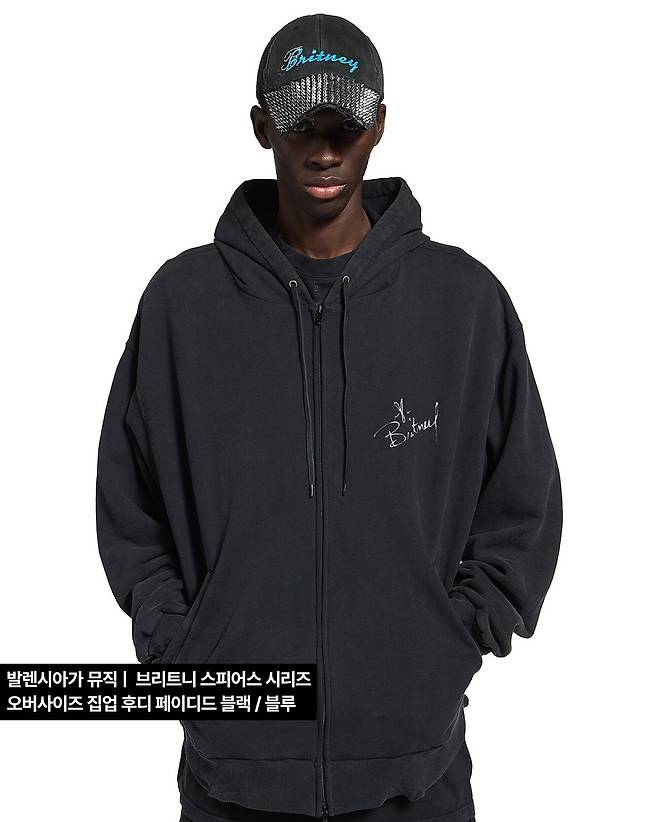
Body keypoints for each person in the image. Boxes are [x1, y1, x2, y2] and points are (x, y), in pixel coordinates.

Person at [95, 13, 562, 822]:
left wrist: (447, 642)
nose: (323, 151)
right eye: (299, 125)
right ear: (260, 127)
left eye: (344, 126)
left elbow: (523, 505)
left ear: (378, 125)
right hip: (232, 776)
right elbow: (129, 502)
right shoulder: (182, 305)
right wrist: (180, 644)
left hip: (415, 777)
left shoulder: (463, 304)